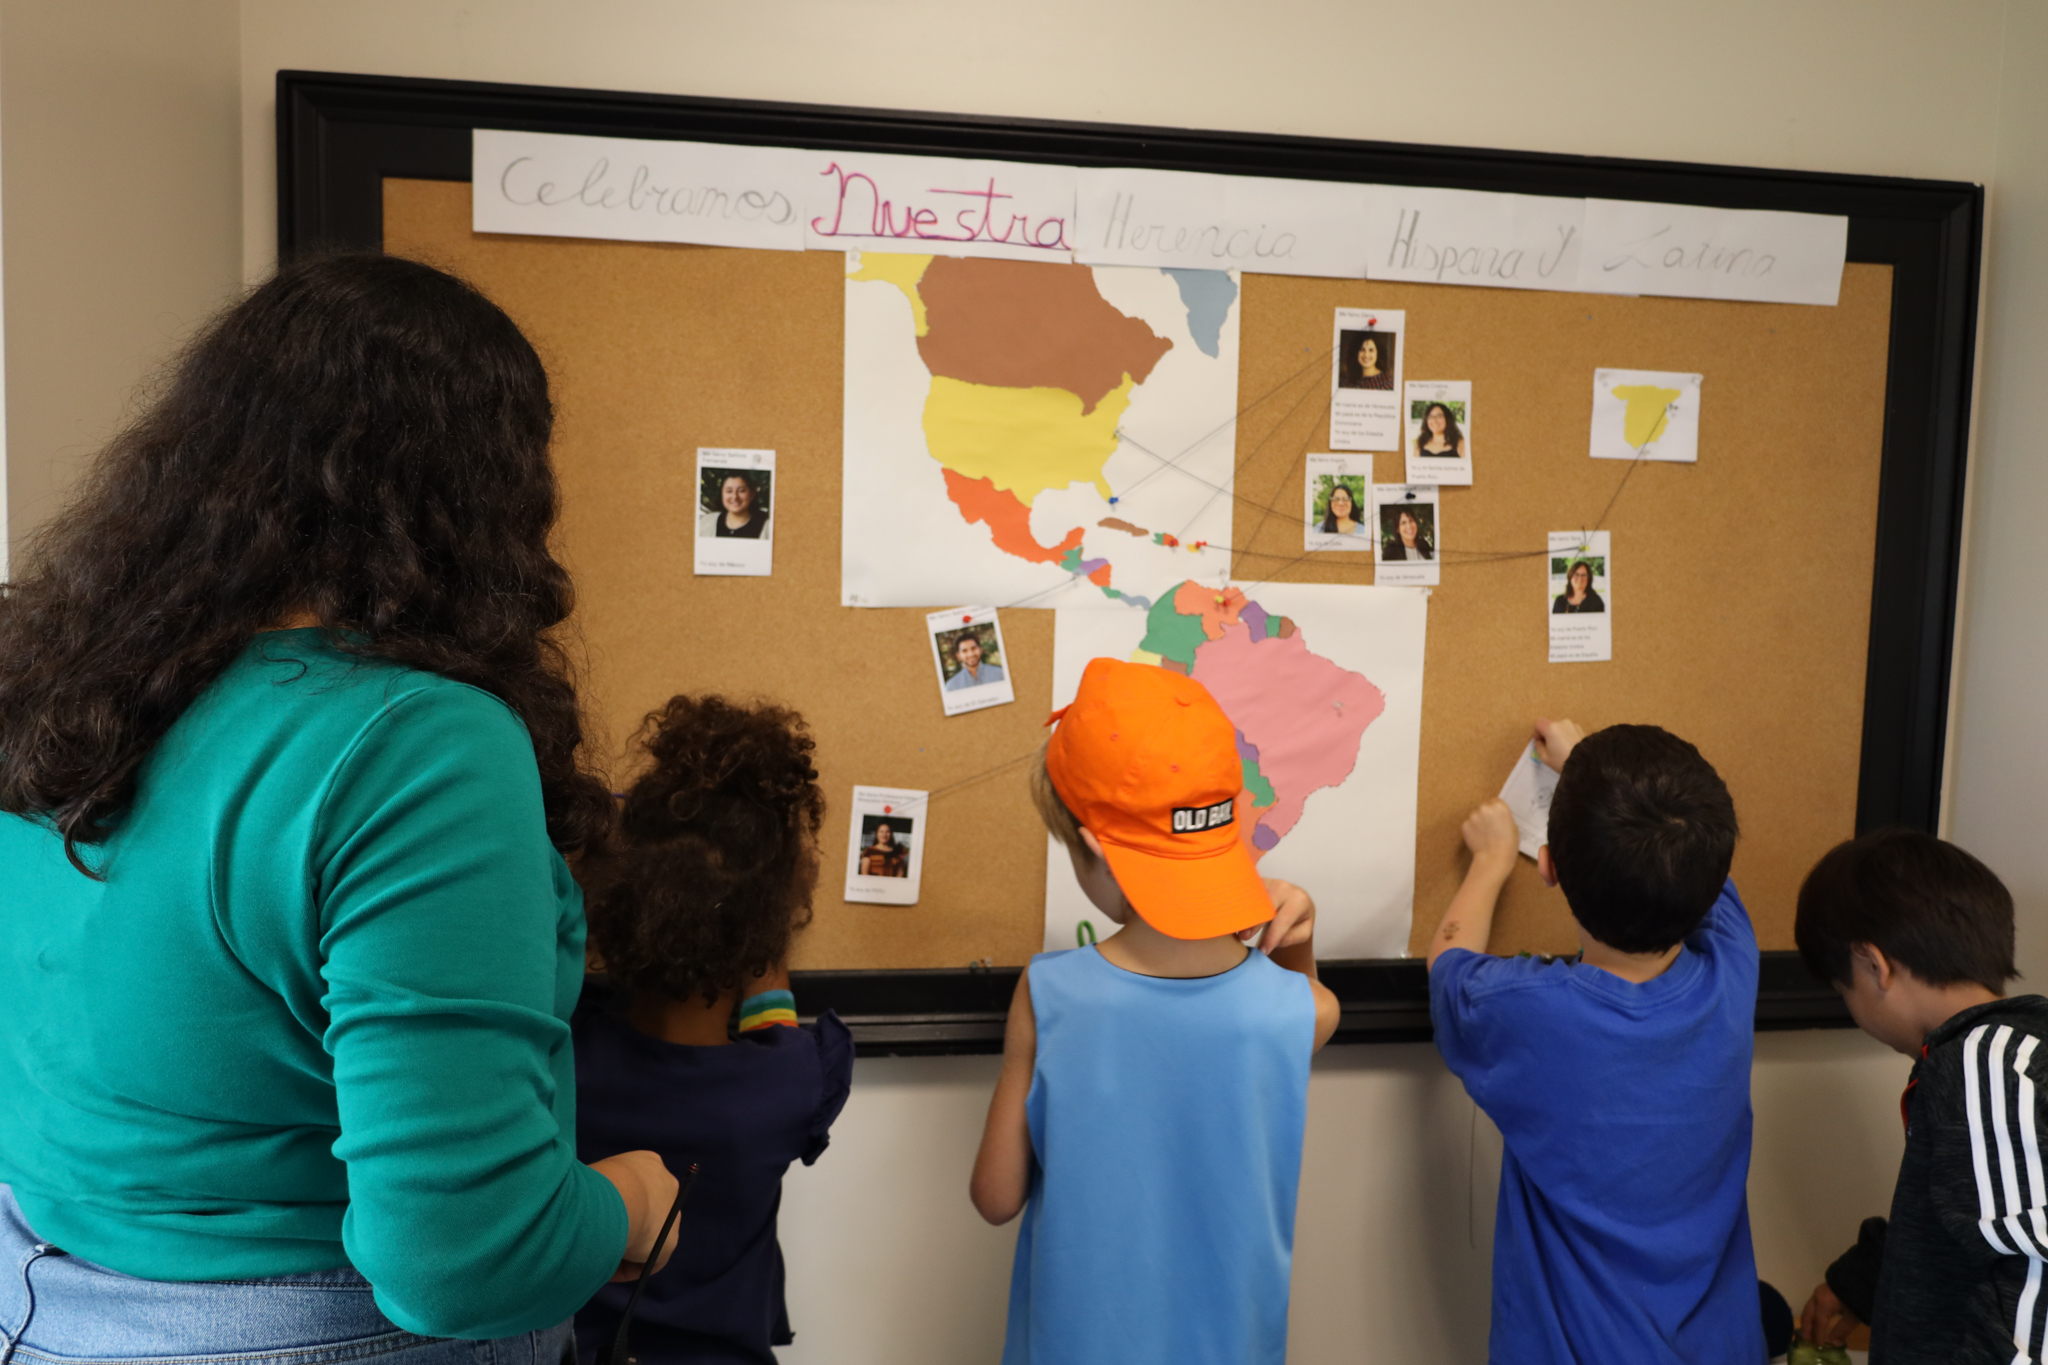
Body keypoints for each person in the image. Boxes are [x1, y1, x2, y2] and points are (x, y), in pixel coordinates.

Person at [0, 253, 678, 1355]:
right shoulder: (416, 742)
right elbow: (465, 1258)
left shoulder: (56, 701)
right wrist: (631, 1205)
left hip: (43, 1309)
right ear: (488, 493)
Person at [972, 658, 1341, 1365]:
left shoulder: (1049, 993)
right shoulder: (1299, 1008)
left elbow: (995, 1195)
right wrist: (1299, 935)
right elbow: (1302, 1006)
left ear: (1092, 846)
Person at [1429, 719, 1760, 1364]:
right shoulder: (1734, 967)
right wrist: (1586, 766)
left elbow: (1448, 965)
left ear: (1547, 865)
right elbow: (1700, 866)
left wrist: (1490, 863)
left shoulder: (1525, 1012)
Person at [573, 694, 852, 1365]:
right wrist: (765, 914)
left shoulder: (562, 1051)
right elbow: (772, 1013)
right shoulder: (791, 1083)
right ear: (771, 925)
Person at [1790, 830, 2043, 1362]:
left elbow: (2032, 1265)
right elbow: (1970, 1223)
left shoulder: (1981, 1066)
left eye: (1843, 990)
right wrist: (1865, 1278)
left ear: (1873, 964)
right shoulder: (1989, 1062)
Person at [698, 472, 770, 540]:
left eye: (741, 491)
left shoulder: (767, 527)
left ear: (752, 494)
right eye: (729, 491)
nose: (735, 497)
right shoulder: (706, 522)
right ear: (722, 494)